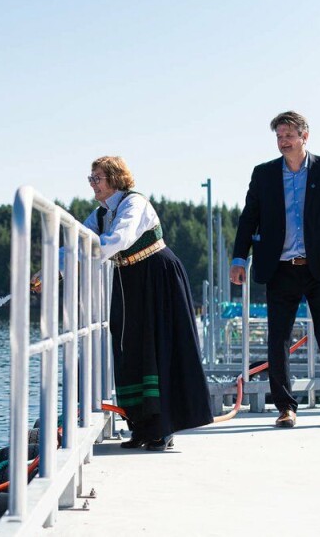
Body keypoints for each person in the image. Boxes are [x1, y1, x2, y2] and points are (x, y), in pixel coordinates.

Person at [230, 111, 320, 429]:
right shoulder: (264, 174)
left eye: (288, 136)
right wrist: (239, 258)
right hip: (280, 268)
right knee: (278, 339)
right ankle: (285, 407)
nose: (283, 142)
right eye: (279, 137)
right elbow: (249, 218)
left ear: (304, 137)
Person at [84, 156, 212, 451]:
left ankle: (163, 428)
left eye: (97, 178)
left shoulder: (134, 203)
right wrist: (54, 270)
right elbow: (81, 241)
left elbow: (119, 239)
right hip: (128, 280)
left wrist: (85, 254)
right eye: (90, 178)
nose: (93, 184)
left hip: (157, 276)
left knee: (160, 347)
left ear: (115, 179)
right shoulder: (100, 214)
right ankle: (141, 427)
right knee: (129, 347)